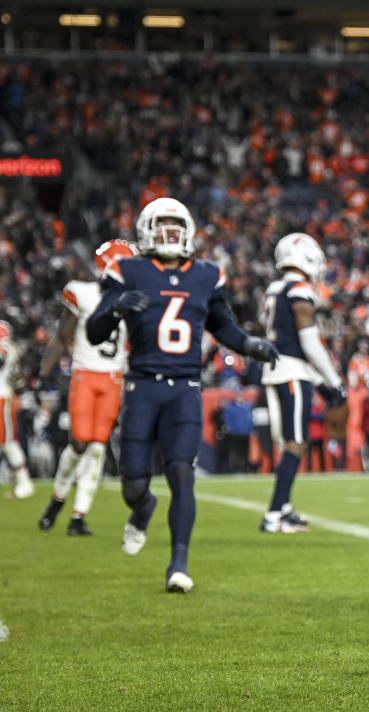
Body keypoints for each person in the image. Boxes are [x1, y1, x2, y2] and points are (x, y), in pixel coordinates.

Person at [86, 197, 278, 592]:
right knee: (134, 485)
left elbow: (225, 327)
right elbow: (93, 331)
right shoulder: (128, 269)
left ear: (189, 232)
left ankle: (179, 564)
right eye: (162, 226)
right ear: (145, 231)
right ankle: (143, 509)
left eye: (177, 226)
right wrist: (116, 307)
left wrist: (250, 345)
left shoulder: (206, 274)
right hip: (141, 386)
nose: (170, 234)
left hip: (185, 388)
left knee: (181, 473)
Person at [37, 240, 138, 535]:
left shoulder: (134, 299)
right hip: (85, 374)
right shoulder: (81, 292)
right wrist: (45, 372)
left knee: (97, 448)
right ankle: (57, 500)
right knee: (79, 442)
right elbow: (61, 336)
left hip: (113, 378)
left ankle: (78, 517)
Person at [259, 232, 346, 533]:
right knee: (295, 443)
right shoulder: (299, 288)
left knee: (292, 441)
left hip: (280, 368)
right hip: (291, 371)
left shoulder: (275, 288)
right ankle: (274, 515)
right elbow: (308, 342)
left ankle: (283, 507)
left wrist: (321, 381)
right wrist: (334, 381)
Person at [0, 320, 34, 499]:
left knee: (7, 442)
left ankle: (24, 481)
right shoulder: (13, 349)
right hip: (6, 395)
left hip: (2, 398)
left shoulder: (7, 350)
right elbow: (19, 382)